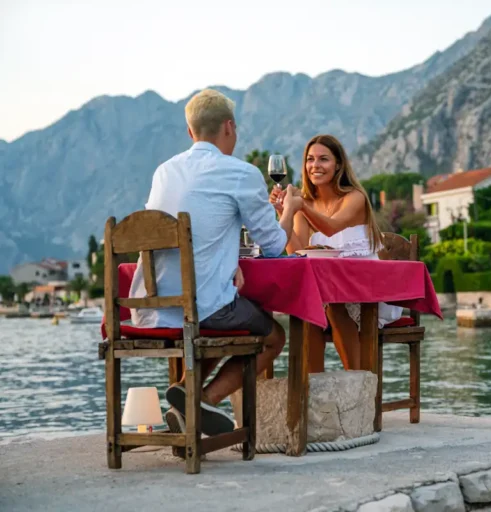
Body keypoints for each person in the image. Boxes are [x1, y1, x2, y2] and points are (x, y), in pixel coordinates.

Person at [128, 89, 304, 436]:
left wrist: (229, 261)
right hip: (201, 309)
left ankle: (184, 394)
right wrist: (290, 211)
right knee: (273, 336)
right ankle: (201, 400)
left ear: (190, 132)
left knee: (229, 307)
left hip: (150, 308)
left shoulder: (164, 171)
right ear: (229, 127)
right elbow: (273, 247)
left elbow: (183, 232)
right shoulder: (240, 173)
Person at [270, 134, 402, 373]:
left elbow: (331, 227)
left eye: (323, 159)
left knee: (333, 303)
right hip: (331, 290)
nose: (315, 165)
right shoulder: (306, 204)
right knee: (311, 307)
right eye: (310, 159)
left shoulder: (355, 197)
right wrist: (285, 213)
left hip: (368, 291)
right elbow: (297, 251)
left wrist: (300, 205)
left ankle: (357, 384)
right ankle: (312, 389)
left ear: (338, 164)